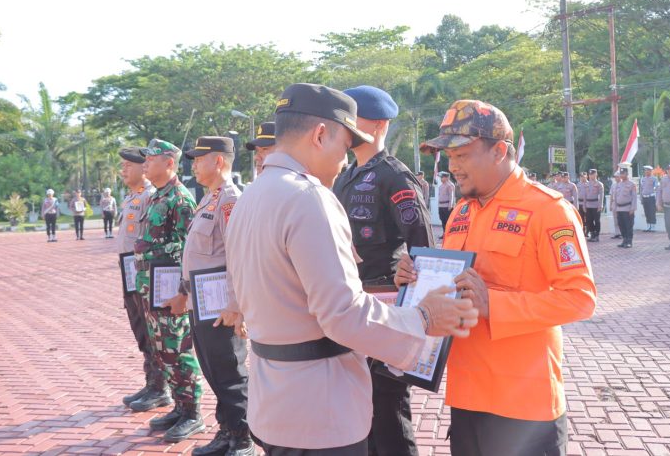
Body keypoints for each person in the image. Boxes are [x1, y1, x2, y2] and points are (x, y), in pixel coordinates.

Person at [225, 83, 478, 455]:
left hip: (276, 399)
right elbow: (343, 314)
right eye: (345, 146)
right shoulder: (308, 198)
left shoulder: (252, 196)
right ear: (321, 134)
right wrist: (423, 318)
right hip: (321, 409)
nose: (345, 160)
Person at [407, 99, 596, 455]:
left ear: (498, 151)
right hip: (466, 393)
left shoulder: (548, 210)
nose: (452, 166)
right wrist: (416, 278)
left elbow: (580, 299)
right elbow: (453, 285)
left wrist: (493, 303)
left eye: (462, 154)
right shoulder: (462, 210)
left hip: (523, 405)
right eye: (448, 157)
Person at [333, 85, 433, 456]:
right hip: (352, 305)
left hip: (385, 305)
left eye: (351, 117)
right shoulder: (345, 176)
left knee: (388, 408)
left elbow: (425, 251)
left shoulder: (395, 176)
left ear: (377, 125)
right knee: (361, 407)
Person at [178, 136, 254, 456]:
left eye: (199, 158)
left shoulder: (230, 201)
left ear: (218, 161)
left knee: (230, 372)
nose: (193, 164)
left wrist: (236, 304)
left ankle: (244, 438)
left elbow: (238, 256)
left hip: (222, 303)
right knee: (213, 369)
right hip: (202, 300)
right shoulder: (209, 199)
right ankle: (227, 431)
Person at [131, 139, 204, 443]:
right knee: (163, 351)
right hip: (150, 287)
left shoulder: (180, 198)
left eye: (151, 159)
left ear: (169, 163)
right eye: (144, 159)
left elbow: (191, 249)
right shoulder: (155, 196)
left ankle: (193, 414)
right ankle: (179, 406)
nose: (145, 164)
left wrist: (184, 293)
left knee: (178, 350)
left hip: (170, 289)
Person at [115, 147, 163, 409]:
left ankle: (160, 387)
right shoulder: (131, 196)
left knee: (150, 329)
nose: (123, 170)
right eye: (122, 165)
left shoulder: (149, 196)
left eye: (127, 166)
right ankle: (151, 383)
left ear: (142, 167)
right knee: (140, 329)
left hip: (142, 273)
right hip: (129, 272)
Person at [612, 168, 637, 248]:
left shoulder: (631, 184)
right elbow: (615, 197)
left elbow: (634, 197)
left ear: (627, 174)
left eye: (623, 174)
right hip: (619, 208)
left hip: (627, 208)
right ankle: (624, 240)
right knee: (621, 225)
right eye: (621, 174)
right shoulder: (618, 184)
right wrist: (614, 208)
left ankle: (629, 241)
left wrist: (632, 208)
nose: (622, 175)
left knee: (628, 226)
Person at [583, 169, 604, 242]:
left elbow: (601, 196)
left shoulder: (599, 184)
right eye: (590, 174)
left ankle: (597, 235)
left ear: (596, 174)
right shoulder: (586, 184)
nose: (591, 176)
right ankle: (592, 234)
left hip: (596, 205)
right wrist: (584, 205)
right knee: (589, 221)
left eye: (593, 174)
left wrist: (600, 205)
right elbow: (585, 196)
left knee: (597, 221)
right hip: (588, 205)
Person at [640, 166, 658, 232]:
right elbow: (641, 189)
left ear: (651, 171)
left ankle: (653, 226)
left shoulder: (654, 178)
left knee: (652, 212)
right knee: (646, 212)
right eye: (645, 170)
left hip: (651, 197)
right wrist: (641, 198)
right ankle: (648, 226)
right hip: (645, 197)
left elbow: (656, 187)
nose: (646, 171)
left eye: (648, 170)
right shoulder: (643, 179)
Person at [609, 172, 622, 239]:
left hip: (621, 204)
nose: (616, 178)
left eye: (618, 176)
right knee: (615, 219)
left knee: (621, 219)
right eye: (615, 177)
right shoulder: (613, 185)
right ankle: (617, 233)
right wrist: (610, 205)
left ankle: (621, 233)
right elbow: (611, 195)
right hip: (614, 203)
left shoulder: (623, 184)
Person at [577, 171, 588, 237]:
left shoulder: (589, 184)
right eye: (581, 177)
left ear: (586, 176)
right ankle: (582, 231)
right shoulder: (578, 184)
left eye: (583, 177)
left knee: (588, 218)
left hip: (587, 203)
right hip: (580, 203)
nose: (582, 178)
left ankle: (588, 231)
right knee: (581, 218)